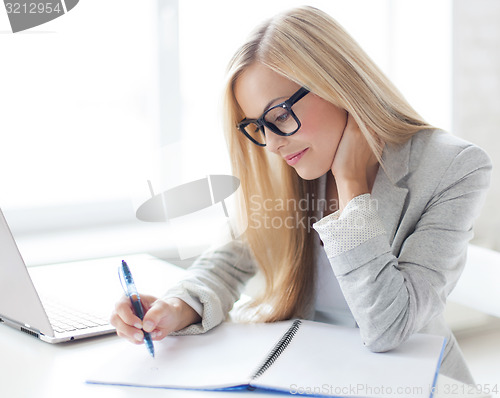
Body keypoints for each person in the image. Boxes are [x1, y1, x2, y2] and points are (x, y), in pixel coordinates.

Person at [111, 6, 491, 384]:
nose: (272, 144)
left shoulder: (454, 167)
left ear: (337, 84)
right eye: (257, 126)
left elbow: (388, 327)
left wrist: (351, 184)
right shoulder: (289, 164)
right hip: (308, 374)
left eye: (279, 116)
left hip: (410, 384)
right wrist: (177, 306)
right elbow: (229, 261)